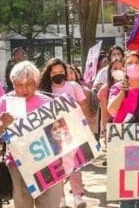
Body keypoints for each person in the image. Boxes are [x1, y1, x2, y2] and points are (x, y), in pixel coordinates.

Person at [0, 60, 62, 207]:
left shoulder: (47, 102)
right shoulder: (5, 101)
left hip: (48, 163)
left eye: (28, 84)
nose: (24, 89)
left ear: (36, 83)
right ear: (13, 83)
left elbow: (61, 133)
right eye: (19, 85)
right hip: (18, 165)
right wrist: (2, 123)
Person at [104, 51, 139, 208]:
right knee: (127, 194)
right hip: (123, 143)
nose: (133, 66)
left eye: (137, 62)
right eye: (129, 63)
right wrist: (122, 92)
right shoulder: (117, 87)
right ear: (124, 68)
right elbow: (112, 110)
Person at [39, 58, 93, 206]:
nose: (58, 74)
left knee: (75, 164)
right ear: (49, 74)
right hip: (54, 133)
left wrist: (85, 126)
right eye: (54, 72)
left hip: (73, 131)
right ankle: (60, 198)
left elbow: (83, 105)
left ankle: (77, 195)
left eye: (61, 72)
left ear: (66, 71)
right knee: (58, 166)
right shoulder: (45, 90)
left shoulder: (74, 86)